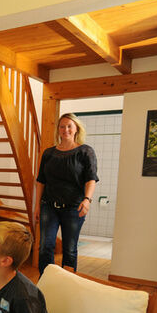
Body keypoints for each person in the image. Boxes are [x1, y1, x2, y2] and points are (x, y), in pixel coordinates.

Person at [35, 113, 99, 275]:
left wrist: (87, 200)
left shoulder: (85, 151)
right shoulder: (48, 153)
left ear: (76, 129)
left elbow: (91, 179)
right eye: (62, 126)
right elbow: (41, 181)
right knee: (45, 247)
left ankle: (67, 285)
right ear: (58, 130)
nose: (66, 130)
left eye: (69, 126)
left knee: (69, 249)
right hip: (49, 206)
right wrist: (37, 206)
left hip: (74, 208)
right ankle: (45, 282)